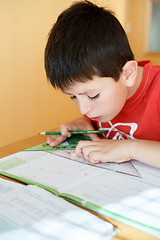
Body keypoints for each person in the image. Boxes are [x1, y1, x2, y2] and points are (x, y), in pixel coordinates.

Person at [44, 0, 160, 167]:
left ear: (128, 74)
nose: (84, 109)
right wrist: (85, 124)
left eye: (93, 95)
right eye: (73, 97)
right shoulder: (101, 99)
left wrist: (129, 148)